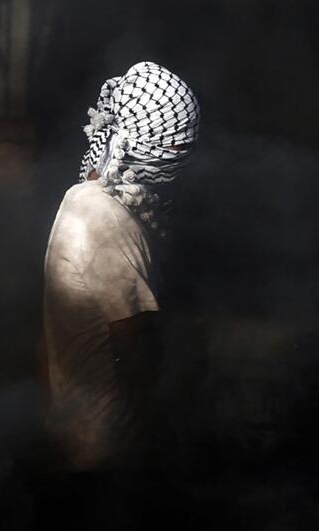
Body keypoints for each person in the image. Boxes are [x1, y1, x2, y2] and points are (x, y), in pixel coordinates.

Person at [43, 61, 201, 470]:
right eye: (173, 148)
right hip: (108, 451)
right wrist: (161, 445)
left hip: (78, 436)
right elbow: (134, 346)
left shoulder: (89, 199)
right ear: (148, 144)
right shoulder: (101, 213)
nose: (177, 162)